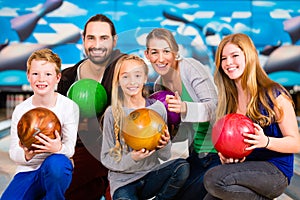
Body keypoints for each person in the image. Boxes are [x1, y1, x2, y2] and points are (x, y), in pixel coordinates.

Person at [203, 33, 300, 200]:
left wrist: (266, 141)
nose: (228, 63)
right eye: (224, 58)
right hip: (248, 169)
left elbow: (296, 143)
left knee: (214, 179)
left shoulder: (273, 94)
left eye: (234, 56)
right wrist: (229, 155)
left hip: (275, 172)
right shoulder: (230, 100)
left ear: (249, 56)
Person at [144, 28, 220, 200]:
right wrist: (163, 138)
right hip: (197, 154)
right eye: (154, 52)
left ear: (176, 52)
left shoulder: (191, 67)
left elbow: (216, 108)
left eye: (166, 51)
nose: (161, 58)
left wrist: (185, 107)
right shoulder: (158, 86)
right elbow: (180, 131)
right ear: (147, 55)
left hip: (218, 152)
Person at [101, 54, 190, 200]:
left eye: (137, 75)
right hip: (124, 183)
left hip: (151, 176)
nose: (132, 82)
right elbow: (106, 159)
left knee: (182, 167)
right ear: (118, 80)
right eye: (125, 77)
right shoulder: (113, 113)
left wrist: (165, 143)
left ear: (144, 78)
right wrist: (132, 157)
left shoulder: (158, 108)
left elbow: (165, 156)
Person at [57, 14, 125, 200]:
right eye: (91, 38)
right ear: (83, 39)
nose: (97, 44)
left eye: (104, 38)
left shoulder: (124, 69)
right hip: (80, 152)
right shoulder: (67, 77)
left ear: (114, 40)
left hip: (117, 152)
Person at [1, 48, 79, 199]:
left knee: (57, 163)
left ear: (57, 77)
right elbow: (14, 152)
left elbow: (69, 149)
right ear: (28, 76)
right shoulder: (21, 109)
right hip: (27, 169)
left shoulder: (69, 107)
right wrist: (26, 155)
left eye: (48, 74)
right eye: (35, 73)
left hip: (55, 167)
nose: (41, 79)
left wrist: (58, 148)